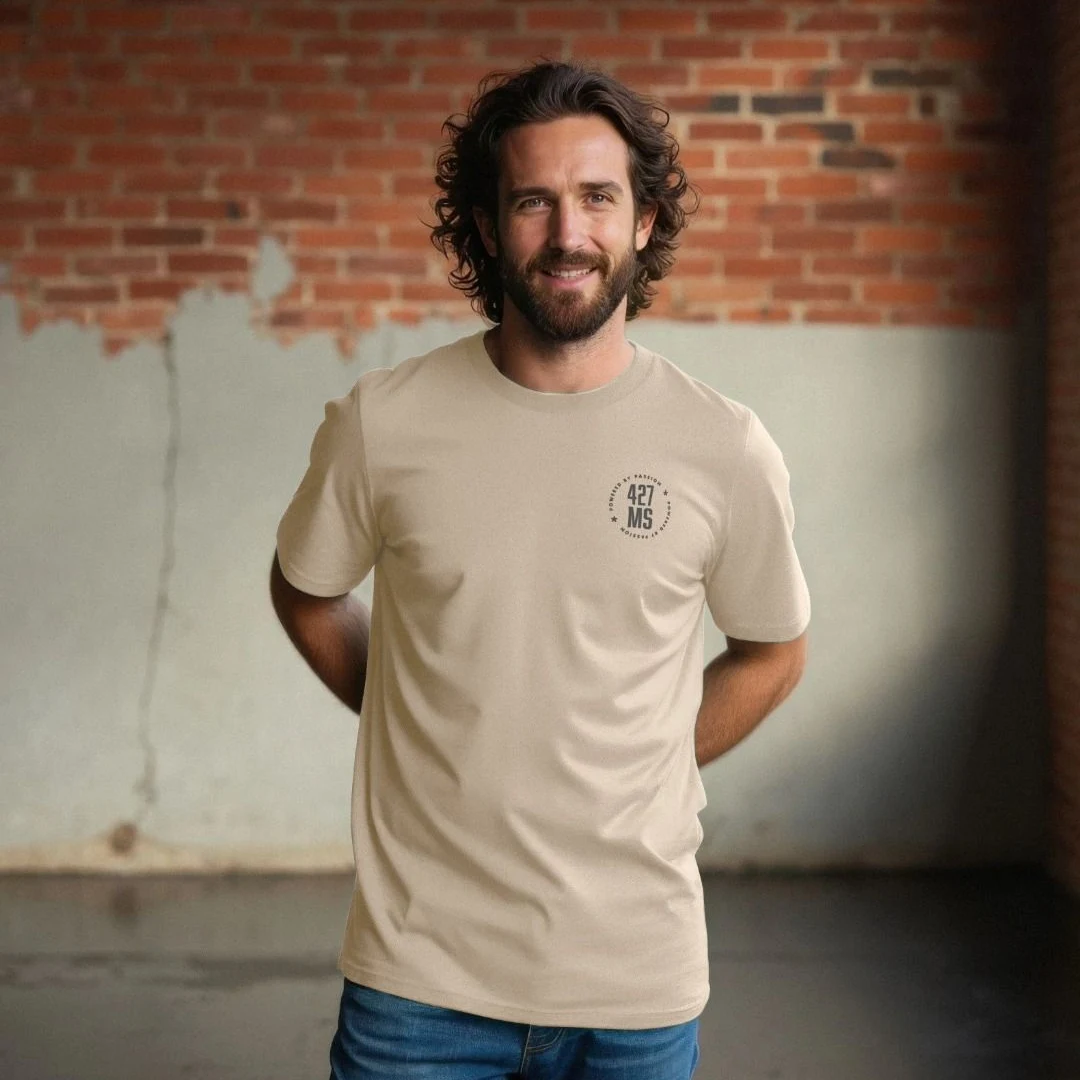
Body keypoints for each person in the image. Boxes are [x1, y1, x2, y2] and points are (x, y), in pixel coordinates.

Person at [270, 60, 810, 1080]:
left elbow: (773, 650)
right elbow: (306, 590)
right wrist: (417, 714)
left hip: (635, 984)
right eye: (533, 202)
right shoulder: (382, 423)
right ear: (485, 227)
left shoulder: (724, 447)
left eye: (598, 197)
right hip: (419, 984)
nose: (569, 233)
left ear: (645, 220)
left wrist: (648, 755)